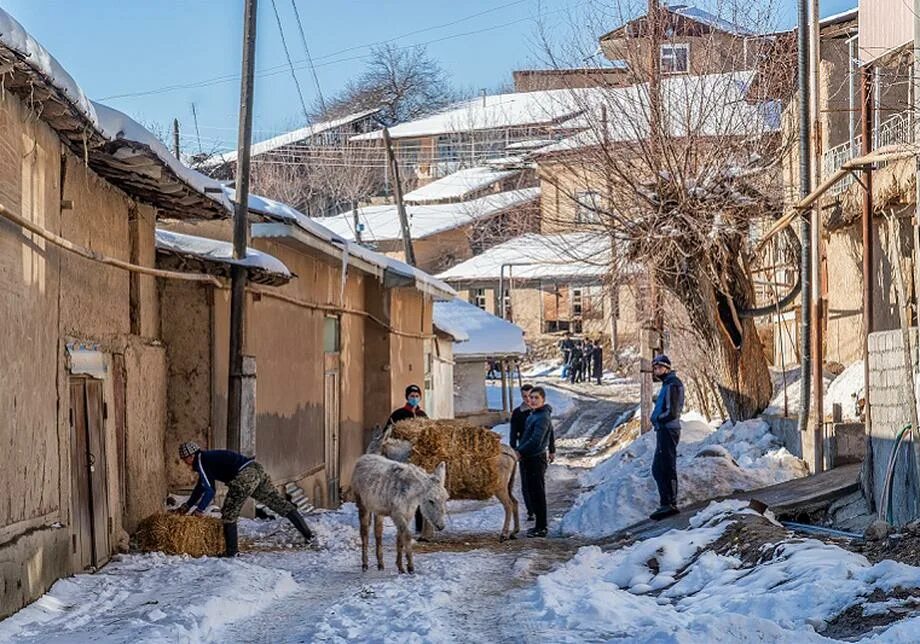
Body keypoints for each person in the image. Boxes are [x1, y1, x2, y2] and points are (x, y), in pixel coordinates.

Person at [172, 441, 314, 557]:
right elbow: (201, 487)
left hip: (244, 476)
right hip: (255, 470)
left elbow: (210, 490)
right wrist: (187, 505)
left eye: (185, 460)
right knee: (278, 503)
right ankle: (309, 536)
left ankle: (231, 553)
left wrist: (200, 510)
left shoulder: (201, 461)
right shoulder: (207, 459)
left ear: (190, 456)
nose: (186, 463)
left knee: (229, 513)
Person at [386, 384, 428, 533]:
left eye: (417, 396)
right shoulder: (398, 415)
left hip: (419, 461)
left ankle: (419, 527)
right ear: (407, 397)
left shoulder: (423, 415)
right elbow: (387, 435)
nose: (414, 398)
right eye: (412, 396)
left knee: (419, 493)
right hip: (402, 461)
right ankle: (402, 526)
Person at [649, 355, 685, 521]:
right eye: (654, 368)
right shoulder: (667, 384)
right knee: (658, 467)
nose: (656, 371)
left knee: (666, 465)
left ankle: (670, 503)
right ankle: (666, 501)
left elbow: (672, 411)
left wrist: (658, 418)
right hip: (663, 430)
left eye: (659, 368)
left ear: (666, 368)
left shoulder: (672, 384)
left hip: (668, 430)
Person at [515, 386, 554, 537]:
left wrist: (519, 450)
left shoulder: (543, 417)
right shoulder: (534, 415)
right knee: (532, 493)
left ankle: (542, 527)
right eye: (531, 398)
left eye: (536, 398)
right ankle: (538, 525)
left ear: (543, 400)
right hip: (528, 458)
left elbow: (536, 441)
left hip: (536, 458)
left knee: (538, 494)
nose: (532, 400)